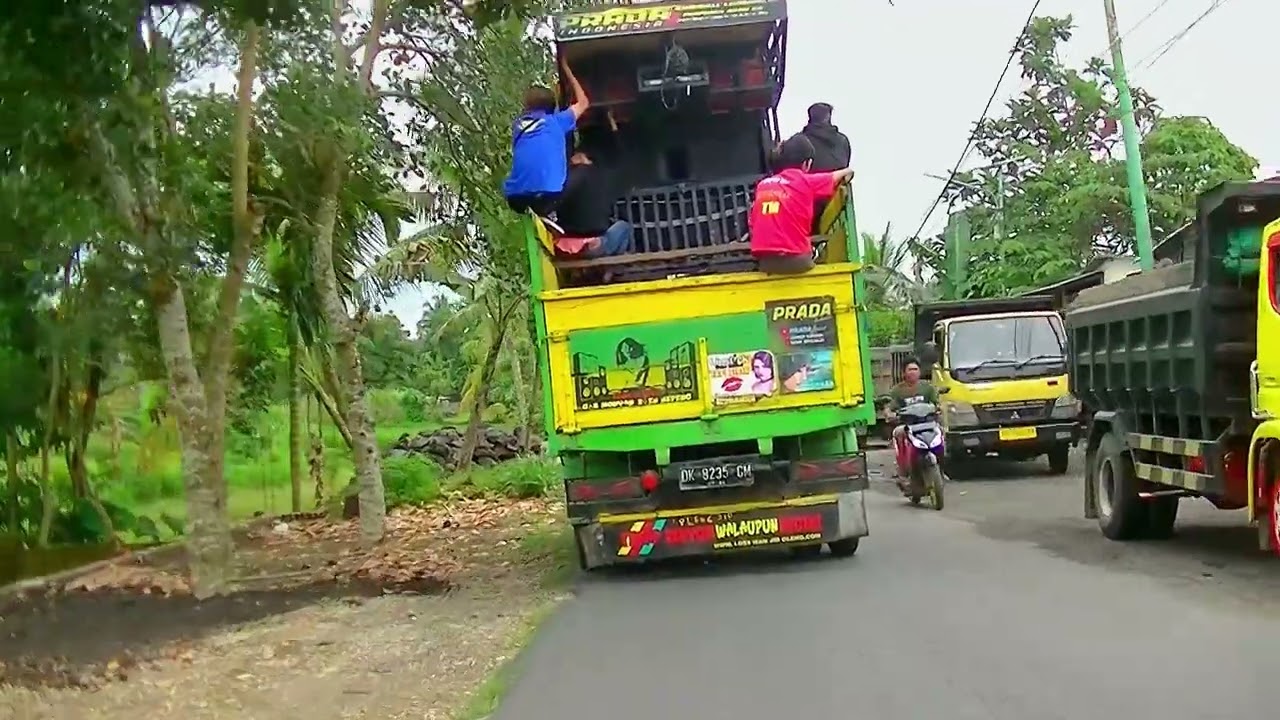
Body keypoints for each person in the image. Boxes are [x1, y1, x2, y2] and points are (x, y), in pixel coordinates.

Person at [749, 134, 854, 274]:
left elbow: (752, 222)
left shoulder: (763, 185)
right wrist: (848, 171)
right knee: (816, 255)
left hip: (765, 262)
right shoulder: (805, 181)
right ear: (806, 163)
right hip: (797, 261)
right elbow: (836, 176)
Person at [503, 58, 590, 217]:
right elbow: (583, 102)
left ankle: (545, 212)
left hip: (515, 198)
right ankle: (556, 215)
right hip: (547, 198)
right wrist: (566, 70)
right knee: (584, 169)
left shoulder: (517, 126)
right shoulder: (556, 121)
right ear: (552, 107)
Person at [551, 146, 633, 258]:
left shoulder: (572, 175)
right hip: (589, 243)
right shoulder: (601, 180)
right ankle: (611, 267)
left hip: (565, 240)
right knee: (623, 226)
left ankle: (607, 265)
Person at [889, 360, 941, 474]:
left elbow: (936, 403)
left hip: (927, 424)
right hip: (907, 426)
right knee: (898, 433)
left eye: (915, 369)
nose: (913, 372)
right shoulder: (897, 391)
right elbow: (890, 408)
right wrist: (890, 415)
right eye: (910, 369)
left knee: (941, 432)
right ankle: (904, 469)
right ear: (904, 373)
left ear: (920, 372)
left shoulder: (928, 388)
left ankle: (941, 464)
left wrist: (938, 409)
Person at [800, 103, 852, 172]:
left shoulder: (799, 142)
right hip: (836, 180)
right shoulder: (843, 141)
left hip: (809, 181)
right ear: (829, 116)